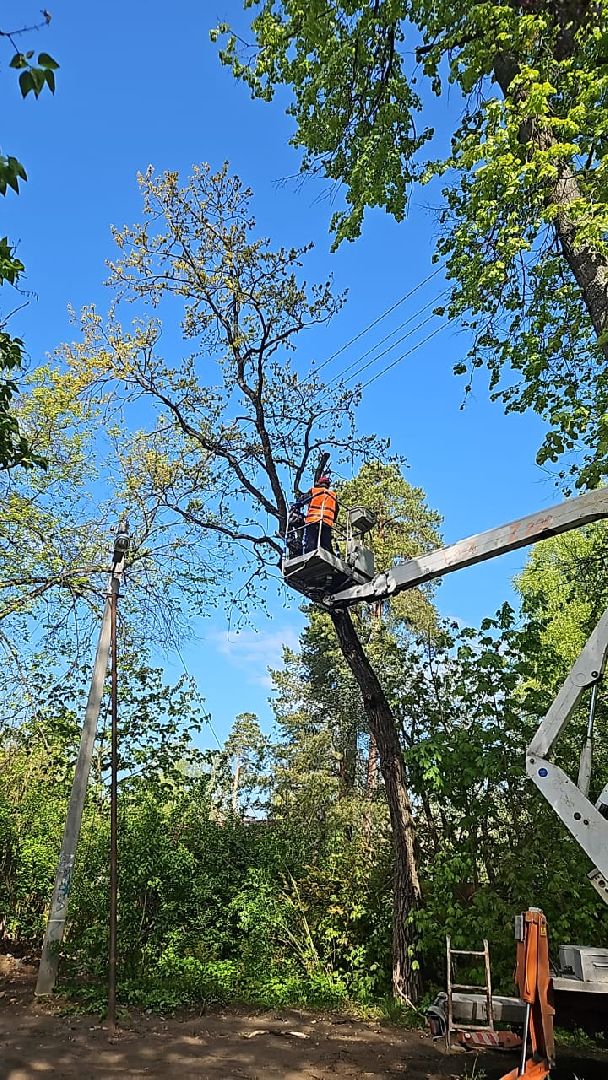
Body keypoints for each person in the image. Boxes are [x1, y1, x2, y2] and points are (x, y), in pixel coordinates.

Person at [302, 475, 338, 554]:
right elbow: (336, 510)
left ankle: (309, 559)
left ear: (319, 483)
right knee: (325, 545)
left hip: (312, 521)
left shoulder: (314, 491)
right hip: (327, 523)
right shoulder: (333, 495)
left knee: (310, 544)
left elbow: (302, 500)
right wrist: (333, 520)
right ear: (328, 485)